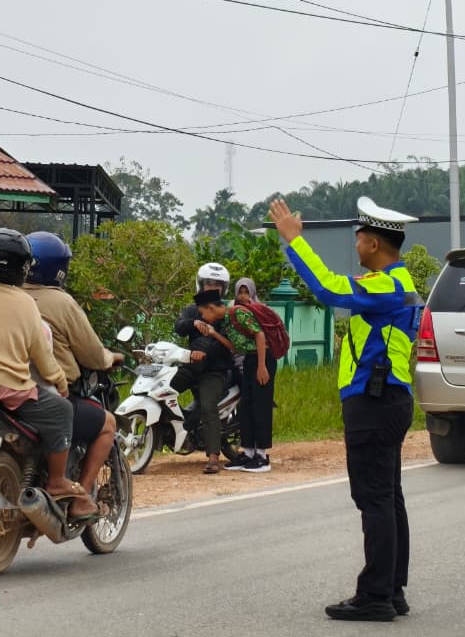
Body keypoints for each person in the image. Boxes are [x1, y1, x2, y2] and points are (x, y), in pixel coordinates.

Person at [270, 195, 419, 623]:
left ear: (373, 243)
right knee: (388, 500)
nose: (355, 247)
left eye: (359, 240)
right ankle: (392, 590)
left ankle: (376, 596)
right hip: (387, 399)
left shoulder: (386, 286)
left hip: (374, 403)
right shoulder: (397, 283)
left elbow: (328, 288)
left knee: (374, 500)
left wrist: (295, 242)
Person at [0, 228, 97, 519]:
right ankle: (58, 480)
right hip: (4, 389)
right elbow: (42, 356)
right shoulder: (24, 302)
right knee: (61, 411)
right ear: (22, 267)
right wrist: (61, 383)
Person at [22, 231, 124, 496]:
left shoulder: (7, 296)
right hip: (45, 393)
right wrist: (110, 358)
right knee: (107, 424)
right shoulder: (61, 302)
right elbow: (91, 352)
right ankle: (81, 495)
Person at [172, 287, 235, 473]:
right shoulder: (194, 310)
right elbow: (179, 327)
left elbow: (226, 345)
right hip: (191, 366)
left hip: (214, 372)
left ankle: (213, 457)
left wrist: (205, 353)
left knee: (208, 407)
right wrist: (194, 323)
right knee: (164, 387)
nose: (203, 314)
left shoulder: (228, 318)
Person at [223, 277, 276, 473]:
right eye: (240, 292)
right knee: (246, 406)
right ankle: (248, 452)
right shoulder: (237, 311)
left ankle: (262, 456)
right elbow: (237, 344)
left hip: (264, 358)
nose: (243, 296)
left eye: (247, 292)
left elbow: (260, 336)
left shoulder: (256, 310)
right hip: (249, 360)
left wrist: (262, 366)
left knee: (260, 406)